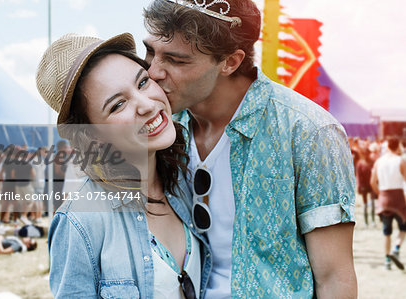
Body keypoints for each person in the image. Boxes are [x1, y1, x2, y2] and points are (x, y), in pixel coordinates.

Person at [143, 1, 357, 298]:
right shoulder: (160, 129)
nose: (153, 72)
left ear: (230, 62)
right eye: (150, 52)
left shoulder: (308, 131)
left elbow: (335, 277)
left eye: (176, 61)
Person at [36, 33, 211, 298]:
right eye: (118, 105)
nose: (146, 105)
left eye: (142, 82)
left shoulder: (183, 182)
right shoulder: (80, 222)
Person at [370, 137, 406, 270]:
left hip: (384, 196)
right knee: (403, 228)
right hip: (398, 197)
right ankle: (396, 248)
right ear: (397, 147)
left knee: (387, 232)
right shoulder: (400, 161)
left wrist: (380, 194)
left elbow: (372, 182)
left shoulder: (379, 162)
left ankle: (386, 260)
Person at [356, 148, 375, 227]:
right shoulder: (360, 164)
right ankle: (366, 222)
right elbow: (358, 177)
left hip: (371, 185)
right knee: (365, 204)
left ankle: (373, 221)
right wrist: (359, 187)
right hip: (364, 186)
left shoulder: (372, 162)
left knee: (373, 203)